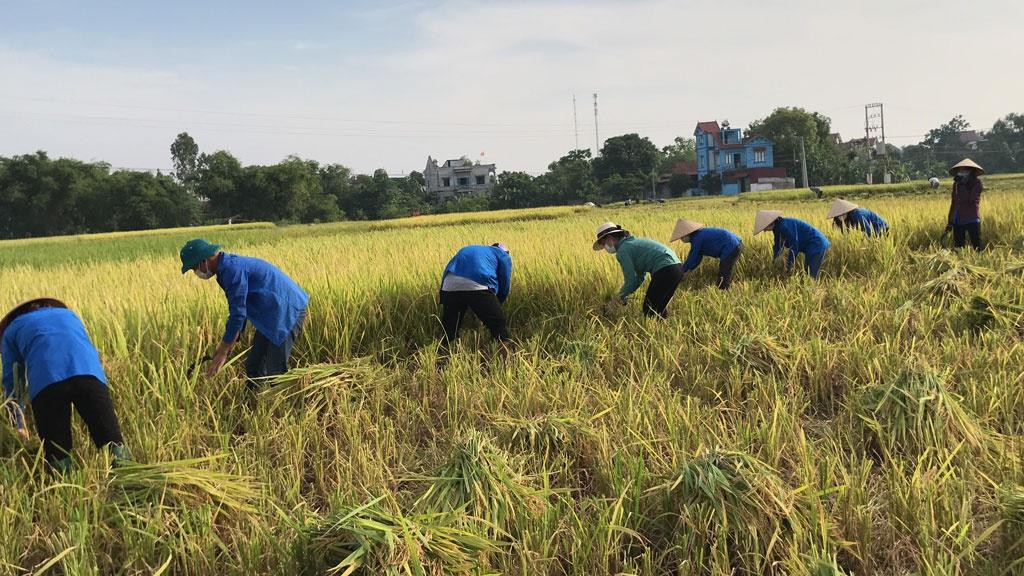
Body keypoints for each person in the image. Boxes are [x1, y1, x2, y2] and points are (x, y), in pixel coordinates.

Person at [1, 298, 130, 471]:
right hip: (89, 374)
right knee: (111, 439)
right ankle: (129, 478)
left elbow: (13, 379)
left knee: (58, 449)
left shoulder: (12, 329)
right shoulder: (70, 315)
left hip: (46, 382)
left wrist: (18, 424)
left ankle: (65, 482)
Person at [179, 239, 309, 390]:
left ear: (204, 261)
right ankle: (255, 402)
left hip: (286, 311)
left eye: (194, 268)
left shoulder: (231, 270)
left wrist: (224, 349)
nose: (196, 272)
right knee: (254, 365)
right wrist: (229, 343)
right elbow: (241, 307)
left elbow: (238, 313)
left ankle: (287, 407)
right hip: (270, 314)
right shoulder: (226, 268)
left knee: (276, 370)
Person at [594, 222, 684, 318]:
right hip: (676, 268)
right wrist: (624, 295)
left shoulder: (623, 250)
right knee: (658, 307)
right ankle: (663, 328)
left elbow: (631, 280)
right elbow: (640, 277)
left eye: (604, 244)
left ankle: (654, 329)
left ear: (610, 238)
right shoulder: (631, 244)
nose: (605, 247)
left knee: (649, 308)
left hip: (665, 269)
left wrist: (619, 297)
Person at [439, 243, 512, 347]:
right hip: (478, 285)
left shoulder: (471, 249)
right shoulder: (502, 254)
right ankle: (505, 358)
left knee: (450, 327)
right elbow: (504, 283)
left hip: (449, 285)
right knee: (498, 324)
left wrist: (443, 294)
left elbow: (449, 268)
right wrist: (497, 303)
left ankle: (443, 356)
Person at [753, 210, 831, 280]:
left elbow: (794, 246)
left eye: (765, 228)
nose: (765, 231)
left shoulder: (784, 226)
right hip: (811, 246)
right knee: (808, 271)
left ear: (770, 223)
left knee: (811, 273)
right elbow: (778, 246)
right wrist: (775, 262)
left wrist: (788, 265)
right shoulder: (777, 229)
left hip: (817, 244)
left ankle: (813, 292)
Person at [670, 219, 742, 290]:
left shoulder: (697, 238)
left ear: (687, 235)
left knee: (724, 273)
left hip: (731, 247)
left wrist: (682, 271)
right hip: (735, 245)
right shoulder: (698, 237)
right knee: (725, 271)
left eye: (681, 238)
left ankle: (724, 291)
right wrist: (688, 271)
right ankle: (725, 289)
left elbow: (692, 257)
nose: (682, 240)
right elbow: (697, 258)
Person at [946, 158, 984, 250]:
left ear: (971, 171)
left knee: (977, 245)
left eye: (965, 170)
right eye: (960, 170)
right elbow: (954, 202)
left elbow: (971, 199)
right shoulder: (956, 184)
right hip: (958, 219)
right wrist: (950, 221)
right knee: (958, 247)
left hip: (972, 218)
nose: (962, 172)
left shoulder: (977, 183)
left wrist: (962, 185)